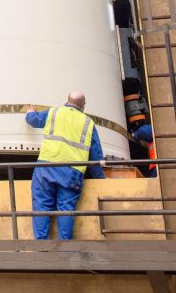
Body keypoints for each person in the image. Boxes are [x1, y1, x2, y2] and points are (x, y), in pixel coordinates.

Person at [25, 92, 105, 240]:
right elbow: (95, 155)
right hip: (72, 172)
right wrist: (100, 178)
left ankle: (41, 247)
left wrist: (29, 114)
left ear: (67, 101)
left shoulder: (54, 112)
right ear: (83, 106)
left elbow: (34, 120)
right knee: (66, 210)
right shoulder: (88, 123)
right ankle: (66, 250)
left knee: (41, 206)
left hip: (46, 168)